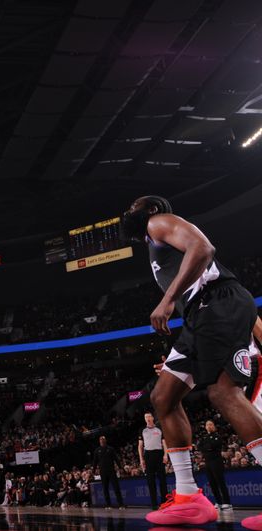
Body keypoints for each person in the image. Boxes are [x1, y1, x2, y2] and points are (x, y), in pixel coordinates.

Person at [123, 195, 262, 528]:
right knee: (163, 397)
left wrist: (167, 300)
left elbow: (203, 247)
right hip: (199, 317)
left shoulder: (158, 223)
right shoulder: (155, 242)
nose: (127, 213)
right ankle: (188, 497)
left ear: (151, 210)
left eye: (133, 208)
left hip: (215, 304)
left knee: (223, 393)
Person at [198, 420, 231, 511]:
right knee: (212, 483)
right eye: (207, 424)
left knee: (220, 482)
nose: (209, 426)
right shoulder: (204, 437)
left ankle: (227, 503)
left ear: (214, 426)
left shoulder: (217, 436)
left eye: (211, 424)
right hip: (207, 462)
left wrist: (208, 447)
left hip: (216, 461)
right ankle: (219, 502)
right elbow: (200, 447)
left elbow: (214, 445)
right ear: (205, 427)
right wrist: (208, 447)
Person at [138, 412, 168, 509]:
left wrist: (165, 455)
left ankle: (165, 502)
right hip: (148, 456)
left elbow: (164, 443)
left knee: (162, 479)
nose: (147, 418)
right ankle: (154, 504)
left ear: (152, 418)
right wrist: (141, 459)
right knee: (151, 481)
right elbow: (140, 446)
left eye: (148, 416)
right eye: (145, 417)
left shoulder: (159, 428)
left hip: (159, 454)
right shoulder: (142, 430)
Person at [93, 436, 124, 509]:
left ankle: (121, 504)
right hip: (103, 472)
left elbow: (116, 459)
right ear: (99, 441)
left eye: (103, 439)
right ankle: (108, 505)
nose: (102, 441)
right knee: (105, 488)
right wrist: (93, 470)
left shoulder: (110, 449)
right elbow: (95, 461)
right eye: (101, 440)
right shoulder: (97, 450)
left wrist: (120, 467)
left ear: (105, 440)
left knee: (116, 487)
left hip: (111, 471)